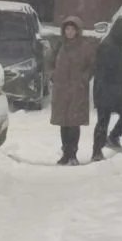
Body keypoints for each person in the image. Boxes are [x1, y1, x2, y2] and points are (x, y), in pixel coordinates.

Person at [49, 16, 97, 165]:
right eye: (67, 29)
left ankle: (73, 154)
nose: (69, 32)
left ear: (78, 31)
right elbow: (49, 62)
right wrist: (53, 75)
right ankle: (65, 153)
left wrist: (84, 79)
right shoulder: (59, 46)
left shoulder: (85, 47)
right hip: (61, 89)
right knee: (63, 122)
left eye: (72, 29)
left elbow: (92, 65)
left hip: (77, 90)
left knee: (74, 123)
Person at [92, 15, 122, 161]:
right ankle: (97, 151)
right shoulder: (107, 46)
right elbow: (104, 71)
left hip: (117, 90)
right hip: (105, 90)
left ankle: (113, 137)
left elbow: (121, 70)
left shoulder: (120, 46)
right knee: (103, 121)